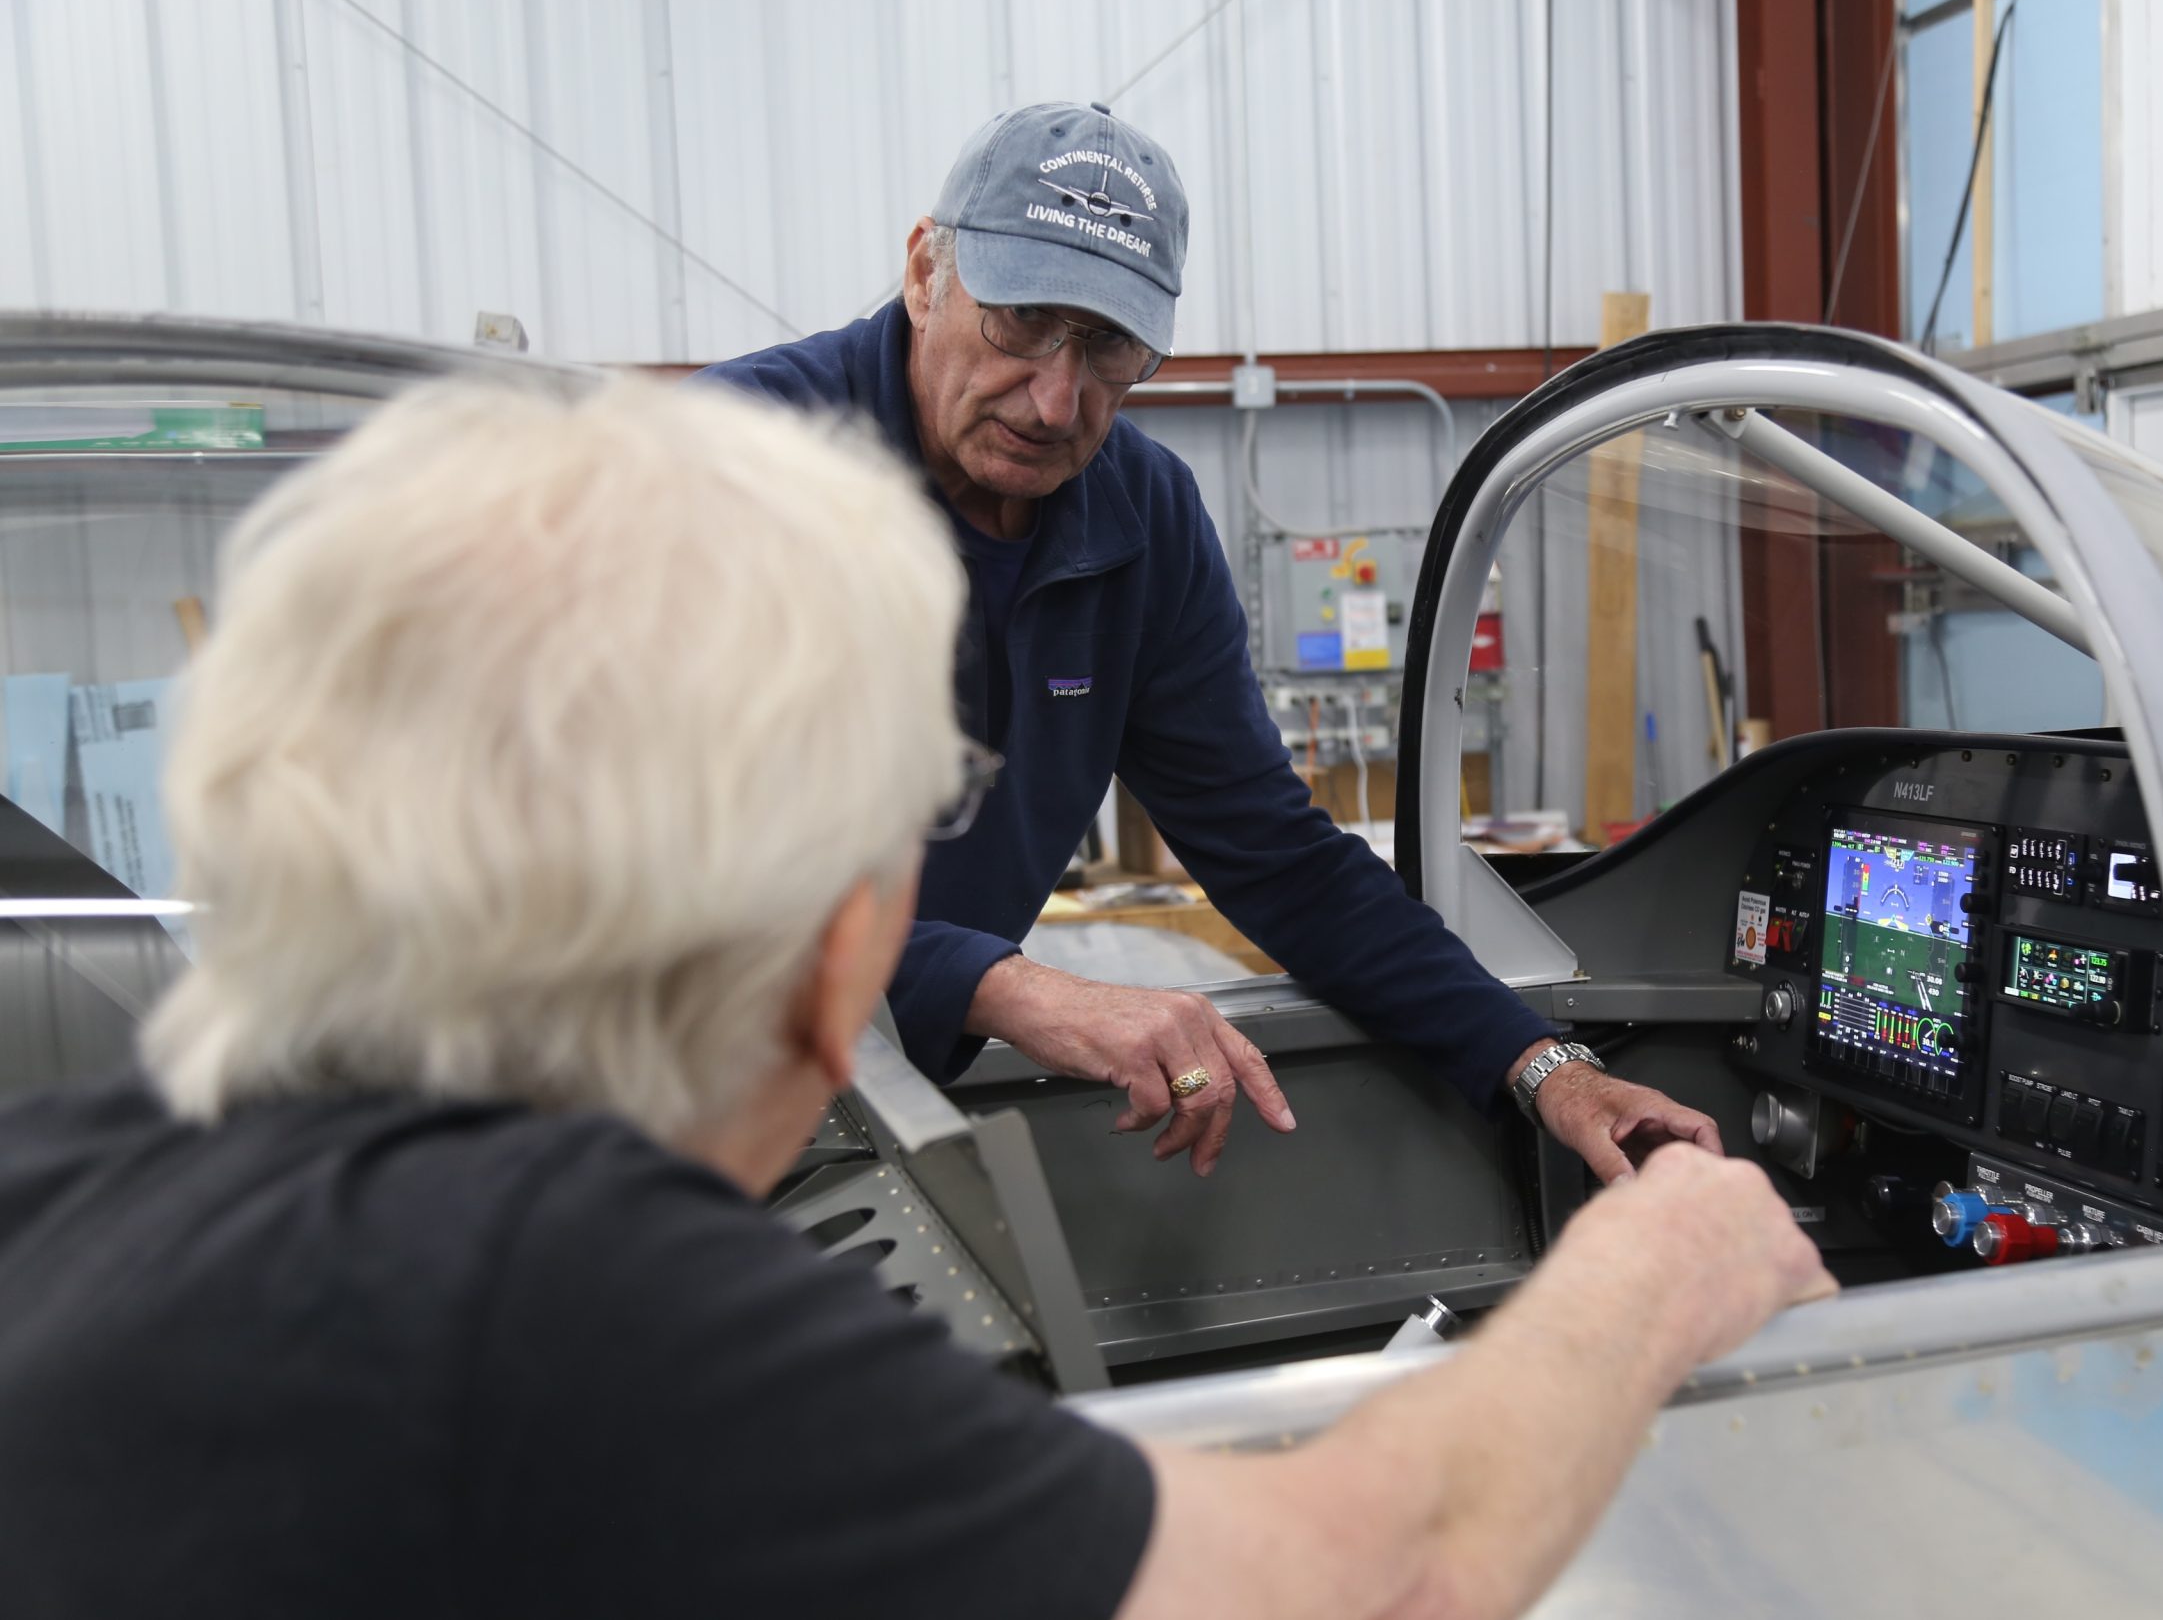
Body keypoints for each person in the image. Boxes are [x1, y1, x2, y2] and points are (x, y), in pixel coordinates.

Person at [0, 377, 1833, 1618]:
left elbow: (1278, 852)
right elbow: (1380, 1575)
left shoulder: (83, 1176)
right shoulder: (574, 1311)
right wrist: (1658, 1269)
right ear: (838, 955)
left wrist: (1536, 1063)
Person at [702, 101, 1717, 1182]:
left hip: (876, 1111)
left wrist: (1544, 1067)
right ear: (923, 274)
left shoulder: (1141, 516)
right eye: (1022, 321)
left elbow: (1275, 854)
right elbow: (667, 889)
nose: (1056, 401)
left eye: (1110, 348)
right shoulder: (733, 471)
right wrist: (1004, 987)